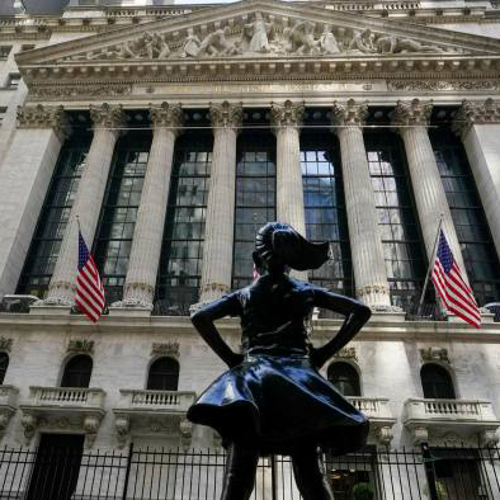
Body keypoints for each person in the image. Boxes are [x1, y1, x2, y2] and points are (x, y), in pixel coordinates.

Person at [188, 222, 371, 500]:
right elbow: (360, 311)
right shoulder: (305, 291)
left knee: (239, 474)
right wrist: (324, 352)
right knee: (310, 475)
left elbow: (200, 317)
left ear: (257, 259)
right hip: (299, 381)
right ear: (291, 262)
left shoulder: (245, 295)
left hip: (253, 380)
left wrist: (232, 359)